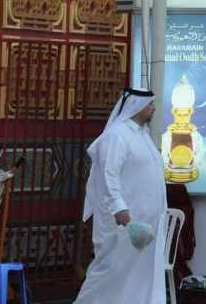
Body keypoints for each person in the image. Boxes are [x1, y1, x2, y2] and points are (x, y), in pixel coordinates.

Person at [75, 88, 167, 304]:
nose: (153, 108)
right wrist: (120, 209)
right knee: (110, 272)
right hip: (124, 223)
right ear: (136, 105)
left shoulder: (141, 135)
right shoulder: (117, 135)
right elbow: (109, 175)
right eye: (150, 104)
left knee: (141, 277)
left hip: (147, 224)